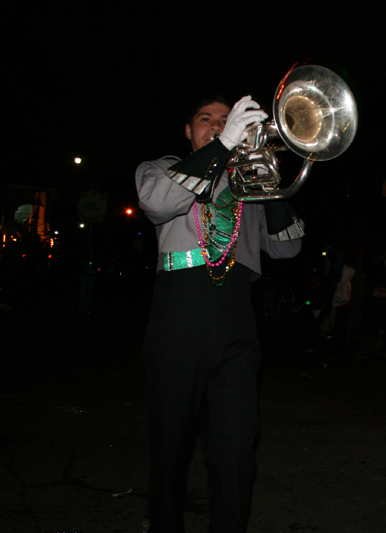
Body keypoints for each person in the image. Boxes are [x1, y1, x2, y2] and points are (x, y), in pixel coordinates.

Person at [136, 94, 303, 533]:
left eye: (227, 120)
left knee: (235, 451)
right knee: (170, 448)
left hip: (236, 321)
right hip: (178, 317)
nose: (216, 124)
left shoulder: (245, 183)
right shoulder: (162, 168)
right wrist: (223, 143)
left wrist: (269, 182)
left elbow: (288, 248)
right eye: (205, 119)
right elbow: (156, 203)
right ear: (188, 131)